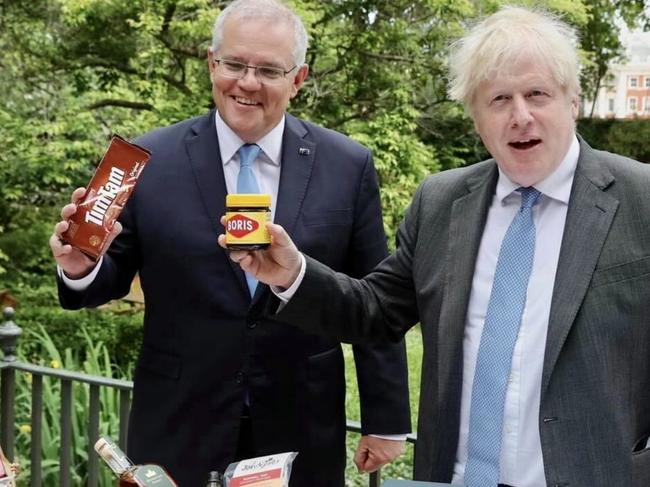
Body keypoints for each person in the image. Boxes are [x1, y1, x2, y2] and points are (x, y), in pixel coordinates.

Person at [221, 6, 650, 487]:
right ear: (476, 118)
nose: (520, 116)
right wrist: (291, 273)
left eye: (537, 94)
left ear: (571, 101)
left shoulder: (641, 200)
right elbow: (375, 310)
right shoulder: (443, 201)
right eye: (499, 100)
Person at [49, 1, 411, 486]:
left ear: (298, 79)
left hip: (300, 424)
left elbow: (373, 296)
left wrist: (385, 419)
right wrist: (80, 266)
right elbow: (103, 280)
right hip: (178, 423)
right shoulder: (147, 159)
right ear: (211, 64)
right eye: (235, 64)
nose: (247, 82)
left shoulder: (347, 165)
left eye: (268, 70)